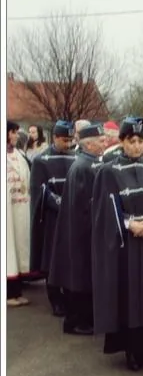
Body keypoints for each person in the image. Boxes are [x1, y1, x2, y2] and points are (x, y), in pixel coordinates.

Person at [91, 116, 143, 370]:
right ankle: (131, 350)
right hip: (125, 245)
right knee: (129, 297)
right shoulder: (108, 171)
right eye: (132, 141)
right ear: (122, 142)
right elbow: (105, 209)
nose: (137, 146)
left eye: (141, 141)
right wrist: (130, 224)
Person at [48, 122, 105, 335]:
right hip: (81, 233)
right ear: (89, 145)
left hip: (82, 232)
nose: (104, 143)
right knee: (79, 280)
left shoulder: (87, 164)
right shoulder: (83, 167)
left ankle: (84, 319)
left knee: (83, 279)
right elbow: (85, 204)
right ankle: (76, 322)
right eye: (100, 141)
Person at [29, 120, 76, 316]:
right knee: (52, 259)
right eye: (65, 140)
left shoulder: (75, 157)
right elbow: (41, 192)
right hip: (52, 218)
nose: (68, 144)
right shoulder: (41, 161)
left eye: (71, 140)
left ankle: (70, 295)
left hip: (72, 217)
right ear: (55, 137)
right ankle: (55, 298)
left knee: (70, 258)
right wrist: (62, 205)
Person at [7, 121, 34, 307]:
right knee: (8, 252)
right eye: (14, 132)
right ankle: (9, 294)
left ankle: (17, 292)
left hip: (20, 208)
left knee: (18, 250)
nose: (17, 136)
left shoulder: (19, 155)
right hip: (7, 212)